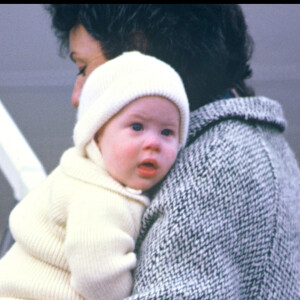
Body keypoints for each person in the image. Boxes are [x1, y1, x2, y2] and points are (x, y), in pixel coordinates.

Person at [43, 4, 300, 299]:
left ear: (141, 51)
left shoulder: (211, 170)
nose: (77, 96)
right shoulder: (242, 143)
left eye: (83, 69)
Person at [0, 51, 190, 300]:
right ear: (98, 133)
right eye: (137, 127)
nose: (153, 143)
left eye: (167, 132)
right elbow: (99, 279)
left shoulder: (79, 171)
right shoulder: (99, 197)